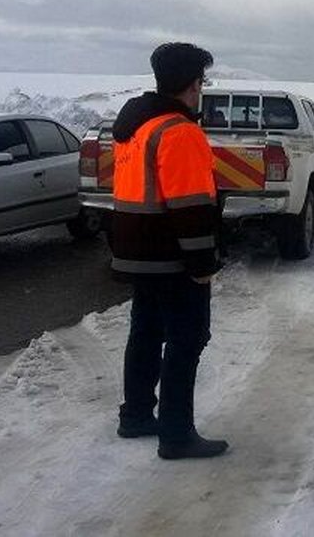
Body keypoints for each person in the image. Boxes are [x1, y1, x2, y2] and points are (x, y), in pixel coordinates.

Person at [110, 42, 228, 459]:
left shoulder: (136, 127)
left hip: (137, 250)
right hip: (173, 257)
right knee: (187, 338)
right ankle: (177, 435)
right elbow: (191, 207)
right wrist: (202, 265)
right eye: (201, 81)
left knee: (145, 332)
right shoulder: (179, 132)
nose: (202, 89)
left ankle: (137, 414)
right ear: (193, 83)